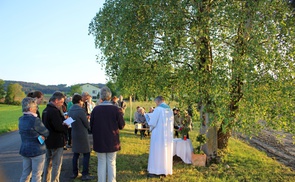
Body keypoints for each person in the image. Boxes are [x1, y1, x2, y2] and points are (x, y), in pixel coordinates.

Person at [90, 86, 125, 182]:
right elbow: (122, 125)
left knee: (101, 162)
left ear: (101, 97)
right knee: (111, 162)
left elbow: (91, 126)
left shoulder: (95, 110)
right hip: (112, 140)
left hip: (99, 139)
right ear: (110, 96)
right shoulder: (116, 109)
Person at [19, 97, 49, 182]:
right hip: (37, 150)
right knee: (36, 175)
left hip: (25, 149)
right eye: (36, 107)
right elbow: (46, 132)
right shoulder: (35, 120)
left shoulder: (21, 119)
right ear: (30, 108)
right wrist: (42, 135)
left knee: (25, 174)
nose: (36, 108)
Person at [42, 91, 69, 182]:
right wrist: (66, 125)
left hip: (48, 140)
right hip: (56, 141)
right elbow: (58, 127)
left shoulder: (45, 110)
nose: (62, 104)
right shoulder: (54, 111)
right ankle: (55, 180)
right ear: (56, 100)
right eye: (61, 102)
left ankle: (46, 180)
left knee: (47, 163)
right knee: (56, 164)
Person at [68, 94, 95, 181]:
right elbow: (86, 125)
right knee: (86, 154)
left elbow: (68, 122)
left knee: (76, 154)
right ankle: (85, 174)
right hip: (82, 134)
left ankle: (74, 172)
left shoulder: (70, 110)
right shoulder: (80, 111)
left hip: (74, 133)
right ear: (80, 101)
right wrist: (87, 119)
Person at [147, 96, 174, 178]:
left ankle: (155, 171)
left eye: (156, 102)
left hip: (158, 135)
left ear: (158, 101)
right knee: (165, 152)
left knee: (157, 152)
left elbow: (152, 122)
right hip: (167, 135)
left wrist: (147, 117)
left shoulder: (158, 109)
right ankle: (164, 170)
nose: (156, 104)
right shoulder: (170, 110)